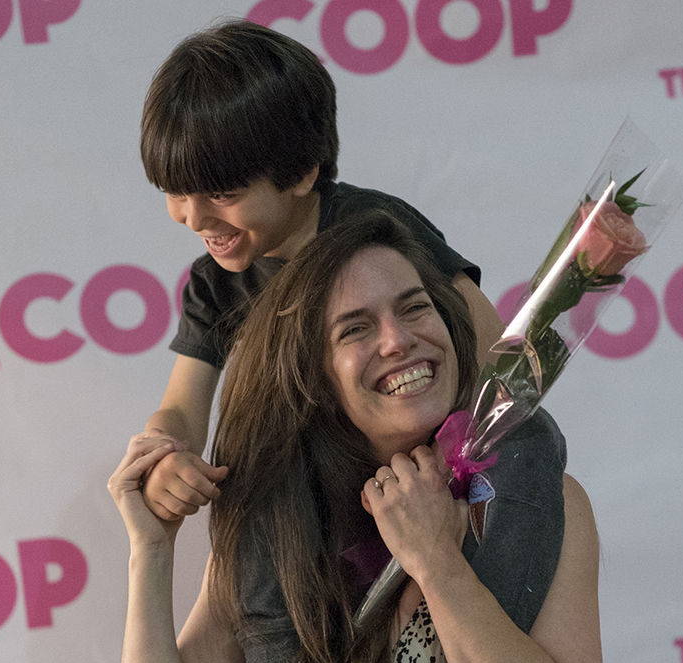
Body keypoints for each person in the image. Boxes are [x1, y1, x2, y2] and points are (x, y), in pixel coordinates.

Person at [110, 212, 601, 663]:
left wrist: (436, 561)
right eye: (356, 328)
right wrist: (150, 552)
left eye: (415, 307)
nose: (398, 340)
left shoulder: (543, 502)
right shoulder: (277, 531)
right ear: (316, 376)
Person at [134, 19, 505, 530]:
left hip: (440, 506)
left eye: (223, 195)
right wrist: (164, 457)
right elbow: (181, 412)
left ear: (304, 171)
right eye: (176, 194)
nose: (195, 219)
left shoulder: (378, 234)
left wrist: (450, 471)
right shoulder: (215, 284)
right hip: (327, 530)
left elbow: (499, 366)